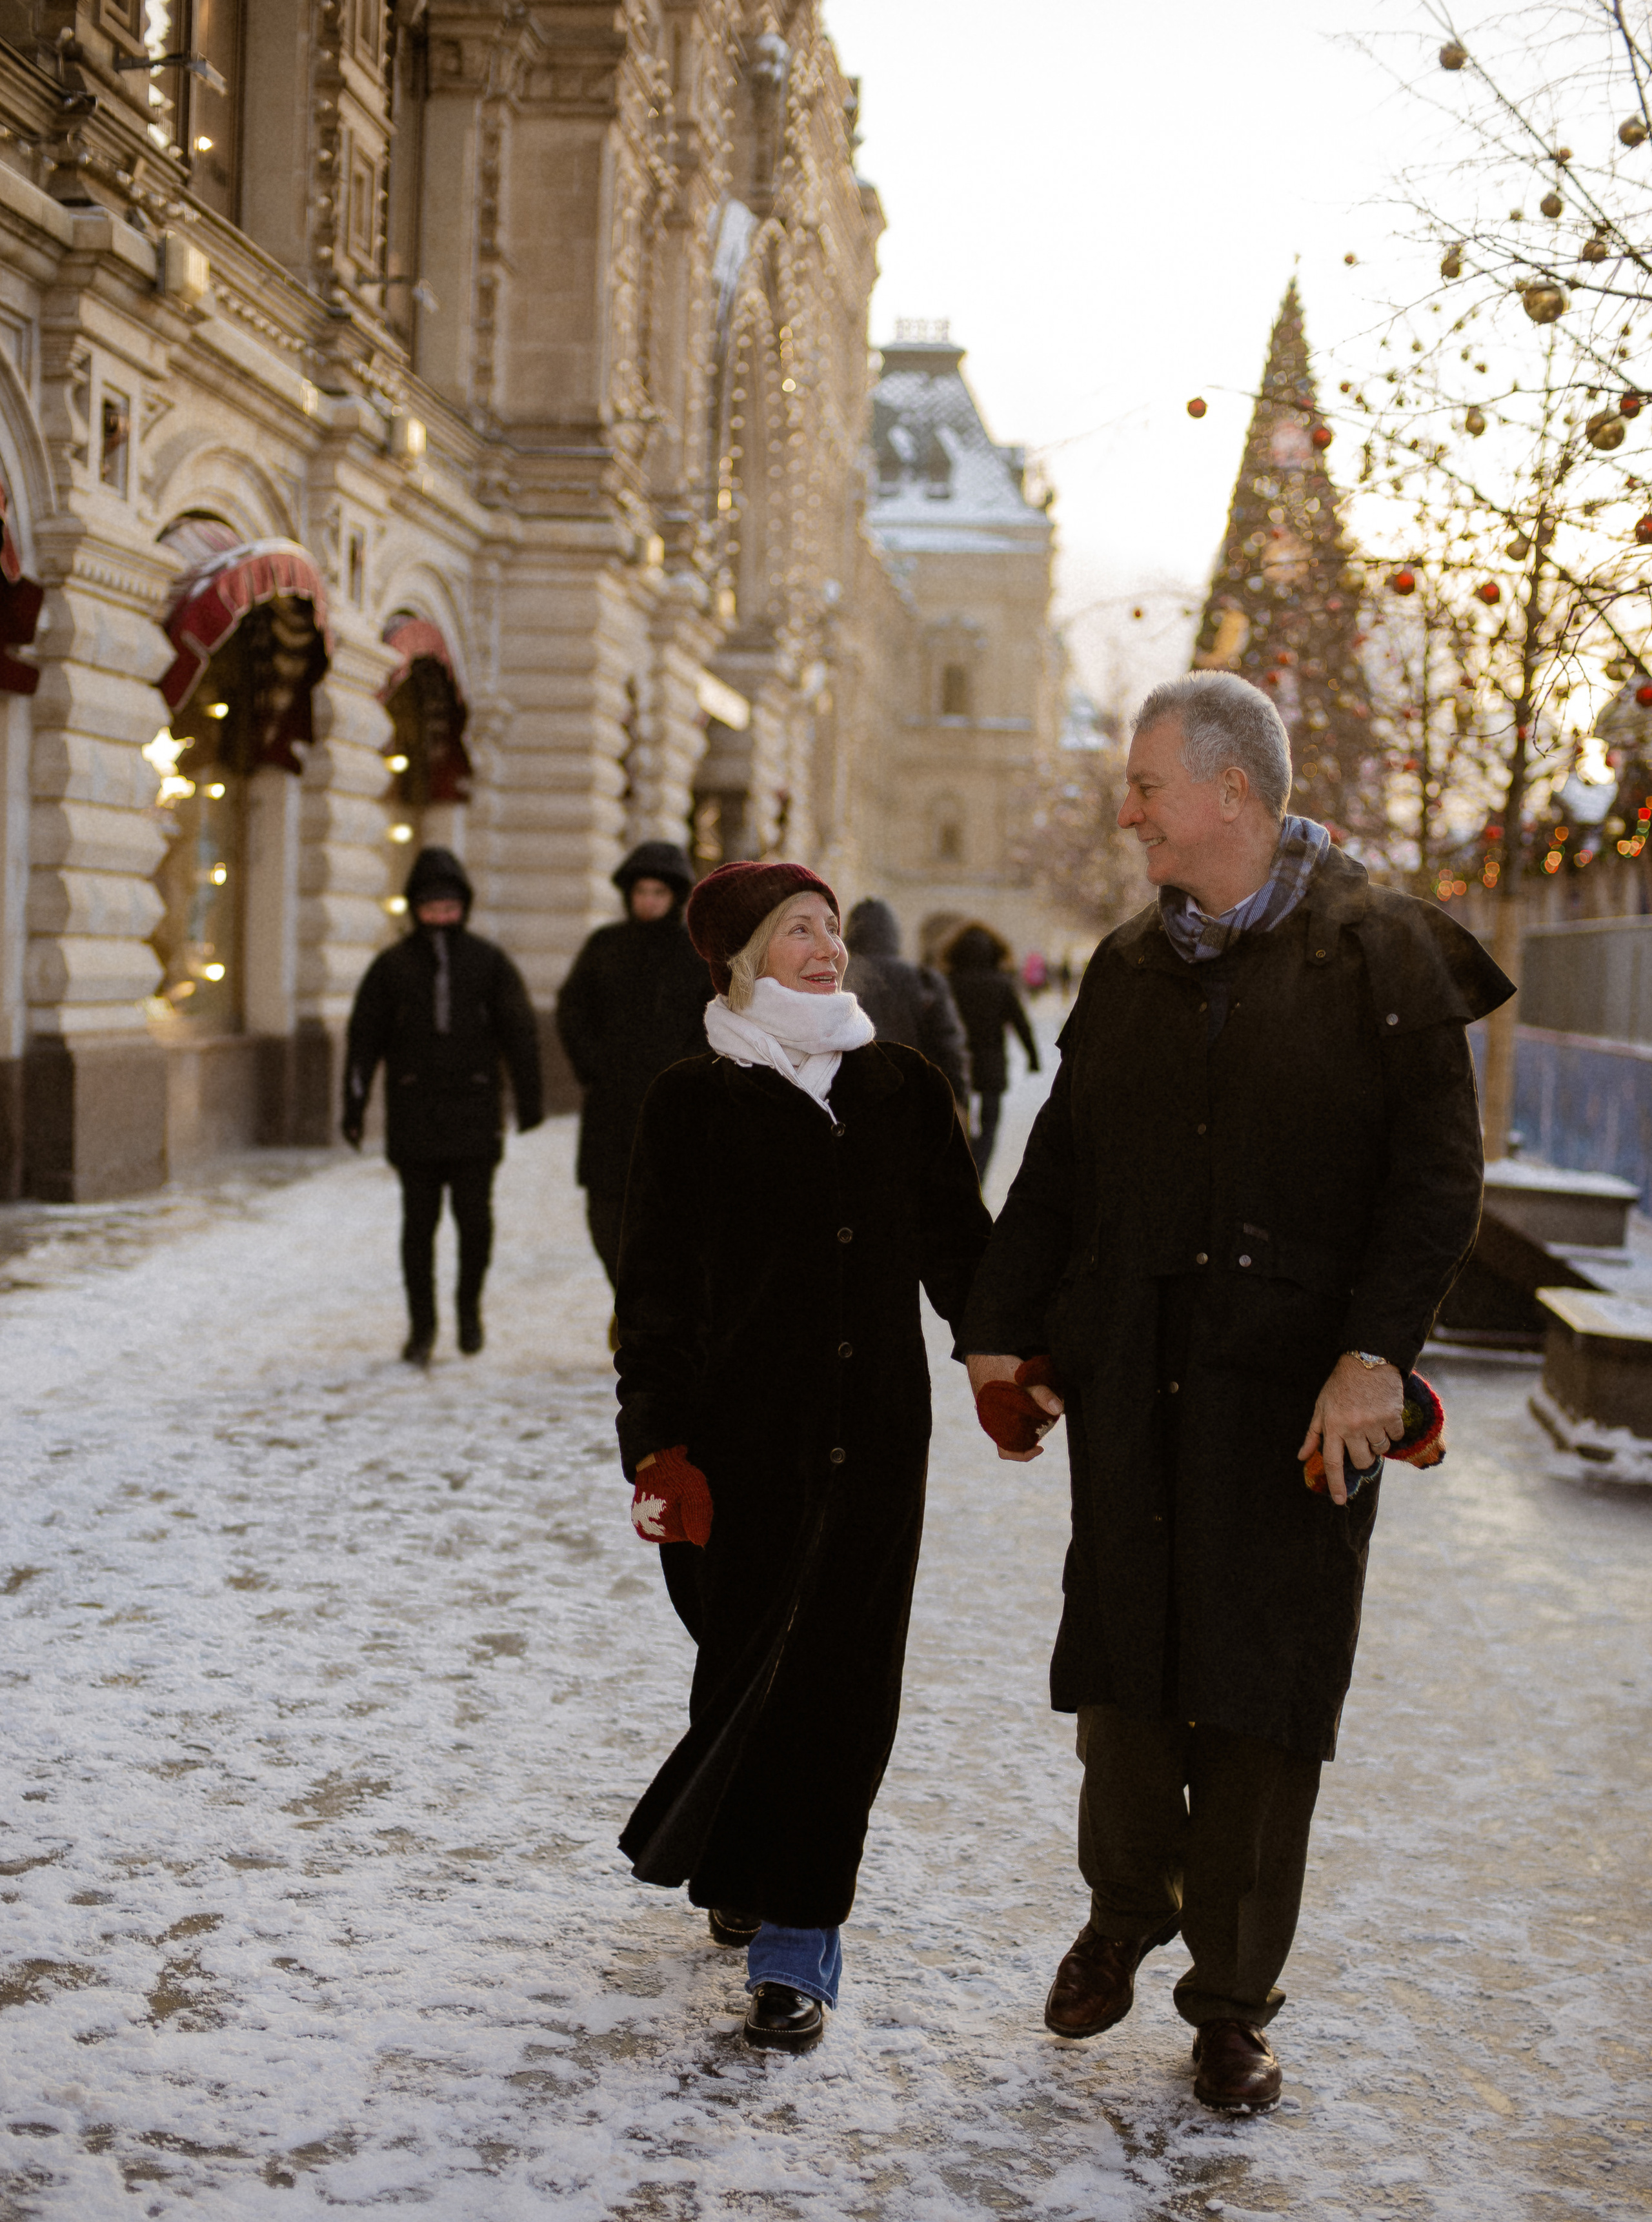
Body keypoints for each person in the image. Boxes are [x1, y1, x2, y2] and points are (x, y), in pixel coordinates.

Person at [960, 673, 1512, 2113]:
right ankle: (1124, 1906)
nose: (1126, 810)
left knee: (1265, 1705)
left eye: (1144, 786)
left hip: (1302, 1407)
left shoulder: (1383, 953)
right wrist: (999, 1336)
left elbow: (1435, 1182)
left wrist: (1375, 1352)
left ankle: (1229, 2003)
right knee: (1128, 1679)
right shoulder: (1130, 964)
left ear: (1232, 795)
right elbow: (1060, 1169)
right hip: (1138, 1384)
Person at [613, 859, 991, 2053]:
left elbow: (963, 1253)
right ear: (738, 957)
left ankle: (797, 1943)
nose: (826, 948)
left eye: (831, 927)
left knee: (843, 1680)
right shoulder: (690, 1101)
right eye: (796, 931)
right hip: (740, 1440)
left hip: (878, 1435)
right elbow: (657, 1296)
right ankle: (737, 1849)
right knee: (742, 1658)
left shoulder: (903, 1087)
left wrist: (1007, 1359)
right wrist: (660, 1448)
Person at [342, 845, 543, 1366]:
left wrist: (530, 1097)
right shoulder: (391, 967)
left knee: (475, 1221)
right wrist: (354, 1104)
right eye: (431, 908)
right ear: (414, 908)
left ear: (465, 908)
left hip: (476, 1113)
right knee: (419, 1226)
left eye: (450, 908)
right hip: (414, 1115)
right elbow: (364, 1039)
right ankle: (422, 1327)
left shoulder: (488, 961)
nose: (440, 918)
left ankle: (468, 1310)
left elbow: (518, 1031)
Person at [554, 840, 712, 1286]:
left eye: (658, 893)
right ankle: (630, 1299)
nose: (648, 901)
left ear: (675, 897)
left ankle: (649, 1308)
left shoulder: (696, 955)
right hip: (611, 1104)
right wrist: (594, 1066)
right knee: (605, 1214)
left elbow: (714, 1021)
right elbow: (572, 1009)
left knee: (667, 1216)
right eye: (641, 891)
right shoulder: (605, 945)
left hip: (672, 1111)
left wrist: (684, 1073)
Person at [841, 897, 972, 1107]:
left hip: (849, 1098)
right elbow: (947, 1045)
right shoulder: (923, 979)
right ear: (894, 933)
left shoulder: (838, 978)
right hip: (911, 1098)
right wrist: (959, 1096)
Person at [943, 922, 1041, 1177]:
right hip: (992, 1062)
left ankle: (965, 1172)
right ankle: (979, 1173)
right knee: (990, 1126)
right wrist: (1033, 1056)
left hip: (957, 1063)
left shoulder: (949, 982)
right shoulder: (1002, 984)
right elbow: (1021, 1023)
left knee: (957, 1124)